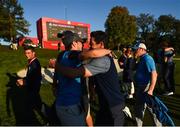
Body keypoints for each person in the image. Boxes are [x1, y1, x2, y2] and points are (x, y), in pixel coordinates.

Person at [56, 30, 125, 126]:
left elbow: (74, 73)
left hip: (113, 106)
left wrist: (57, 66)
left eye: (91, 44)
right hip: (105, 104)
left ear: (101, 44)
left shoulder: (103, 60)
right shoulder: (96, 58)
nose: (89, 47)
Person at [132, 42, 162, 126]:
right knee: (140, 107)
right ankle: (139, 124)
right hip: (140, 87)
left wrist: (151, 89)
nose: (134, 51)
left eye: (136, 49)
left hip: (145, 87)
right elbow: (133, 67)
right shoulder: (142, 58)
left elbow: (154, 74)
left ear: (141, 49)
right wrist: (135, 58)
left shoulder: (147, 59)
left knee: (150, 108)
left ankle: (158, 125)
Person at [16, 46, 46, 124]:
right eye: (25, 53)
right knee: (35, 104)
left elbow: (35, 78)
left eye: (29, 53)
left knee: (34, 104)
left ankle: (49, 119)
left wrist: (24, 82)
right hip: (32, 87)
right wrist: (23, 80)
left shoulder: (34, 64)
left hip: (33, 88)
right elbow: (31, 75)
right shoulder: (32, 62)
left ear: (34, 53)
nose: (26, 55)